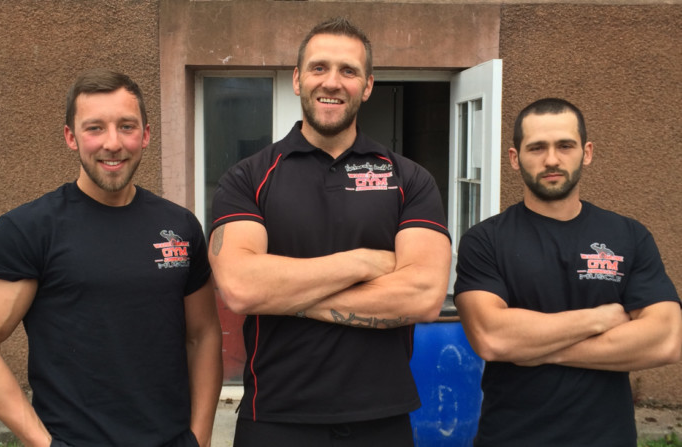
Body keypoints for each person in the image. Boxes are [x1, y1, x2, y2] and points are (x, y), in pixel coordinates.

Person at [208, 17, 451, 447]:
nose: (333, 82)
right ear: (299, 80)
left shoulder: (408, 179)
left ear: (369, 85)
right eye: (319, 68)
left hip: (382, 418)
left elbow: (424, 297)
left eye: (349, 71)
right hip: (276, 418)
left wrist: (286, 296)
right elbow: (242, 288)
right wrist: (364, 262)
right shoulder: (248, 178)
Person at [0, 69, 223, 447]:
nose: (112, 143)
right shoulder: (29, 229)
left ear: (146, 135)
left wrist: (199, 437)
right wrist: (42, 443)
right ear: (71, 137)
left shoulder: (179, 226)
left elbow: (203, 335)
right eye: (95, 128)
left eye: (126, 127)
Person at [454, 97, 682, 446]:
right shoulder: (485, 241)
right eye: (536, 148)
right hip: (512, 438)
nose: (551, 159)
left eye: (565, 145)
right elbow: (492, 337)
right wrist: (599, 319)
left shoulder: (628, 235)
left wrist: (537, 349)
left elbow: (665, 340)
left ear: (586, 152)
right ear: (515, 158)